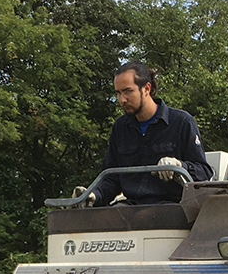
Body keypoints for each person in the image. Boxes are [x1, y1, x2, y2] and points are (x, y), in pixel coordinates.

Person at [83, 62, 213, 206]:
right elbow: (112, 178)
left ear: (146, 88)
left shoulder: (182, 122)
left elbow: (204, 172)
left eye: (127, 91)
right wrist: (93, 195)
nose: (122, 100)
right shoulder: (120, 128)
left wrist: (179, 166)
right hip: (130, 210)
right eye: (118, 93)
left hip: (174, 210)